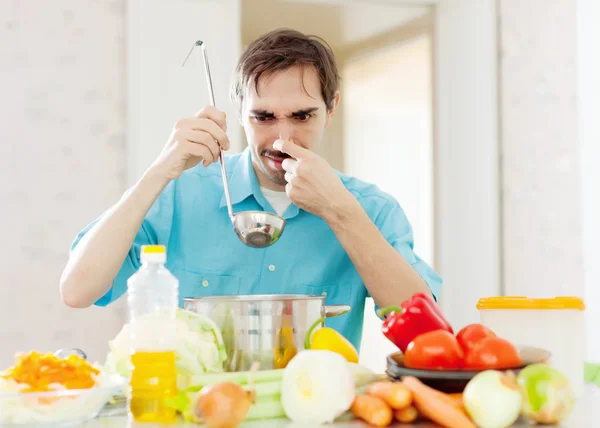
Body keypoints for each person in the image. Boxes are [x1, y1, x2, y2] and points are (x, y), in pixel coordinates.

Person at [60, 28, 442, 350]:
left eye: (302, 116)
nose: (281, 138)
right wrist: (158, 172)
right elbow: (78, 291)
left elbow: (427, 333)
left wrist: (340, 212)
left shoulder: (370, 208)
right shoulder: (179, 196)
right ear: (240, 110)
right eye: (263, 117)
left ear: (332, 108)